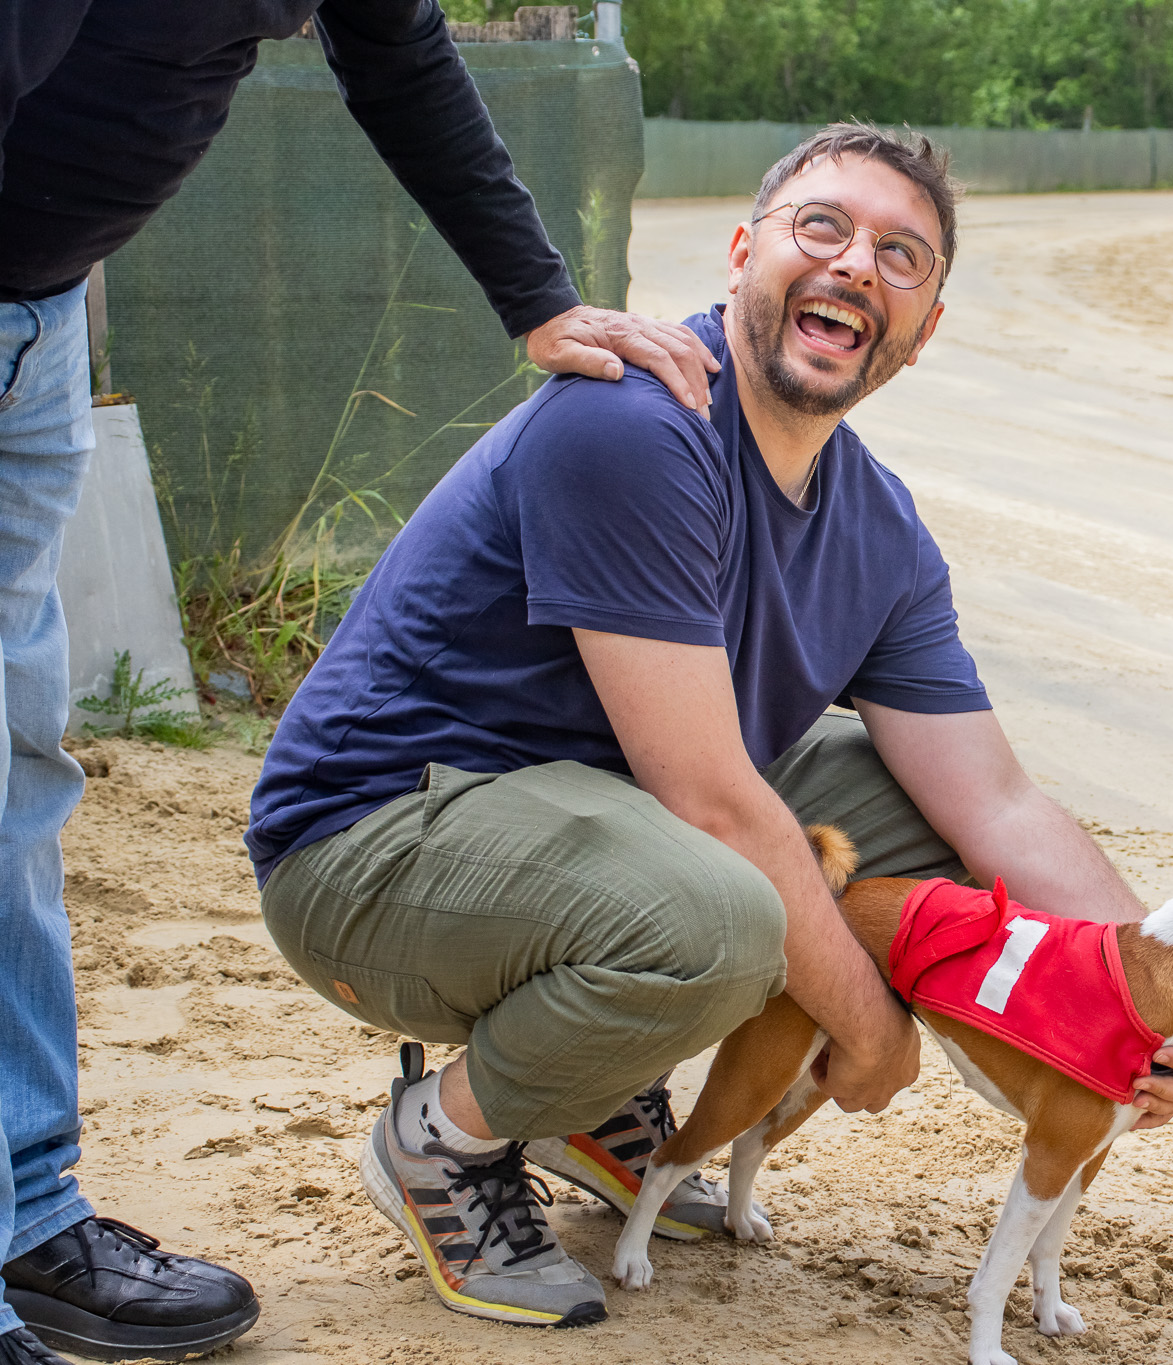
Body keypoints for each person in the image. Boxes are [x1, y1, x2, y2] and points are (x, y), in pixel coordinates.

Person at [242, 121, 1173, 1331]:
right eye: (820, 226)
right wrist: (865, 1026)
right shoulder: (632, 424)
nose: (855, 265)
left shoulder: (876, 524)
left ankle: (590, 1092)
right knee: (725, 911)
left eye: (901, 255)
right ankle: (444, 1139)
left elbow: (995, 805)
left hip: (575, 837)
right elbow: (708, 797)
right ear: (740, 255)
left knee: (908, 826)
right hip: (376, 847)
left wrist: (1153, 1003)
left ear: (921, 334)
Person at [0, 4, 724, 1361]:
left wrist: (538, 296)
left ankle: (25, 1217)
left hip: (29, 326)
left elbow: (394, 52)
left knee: (18, 785)